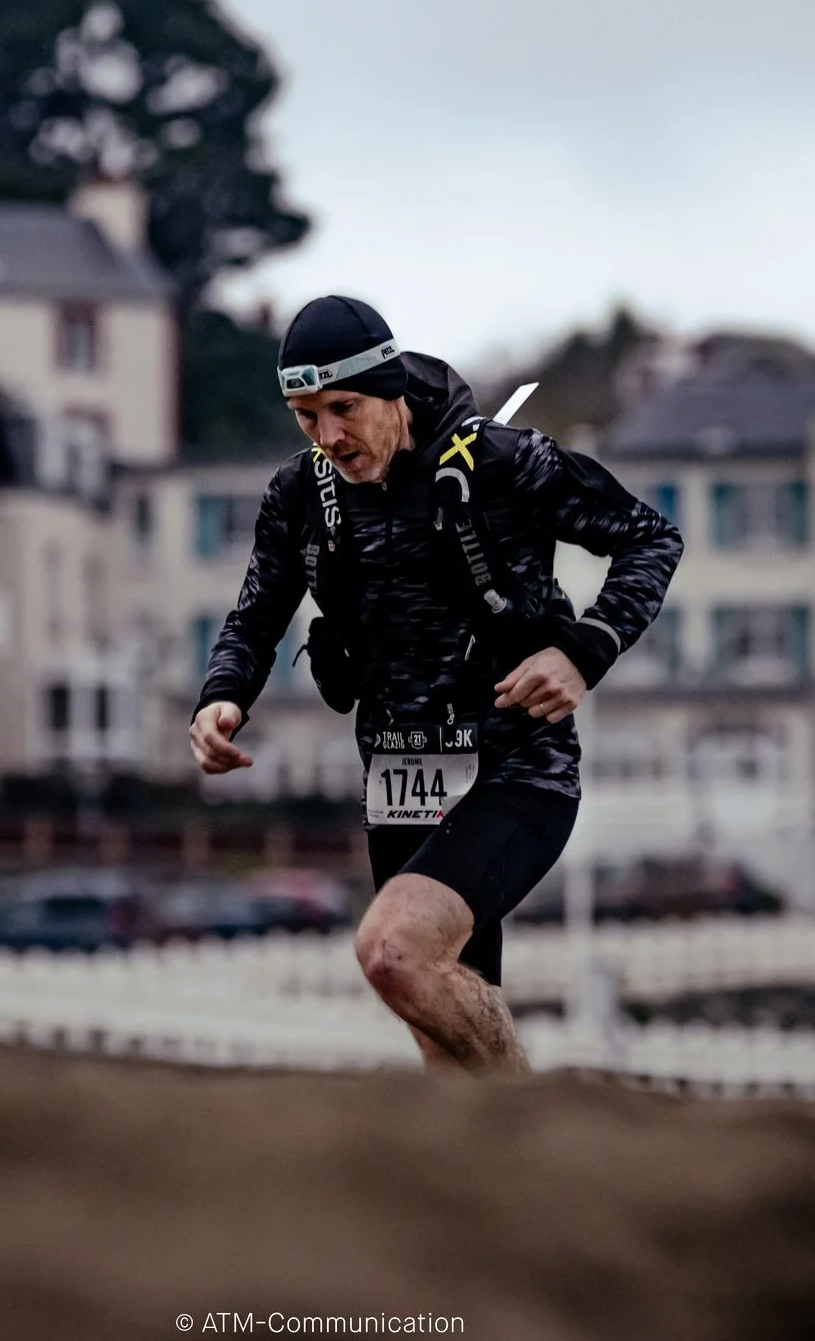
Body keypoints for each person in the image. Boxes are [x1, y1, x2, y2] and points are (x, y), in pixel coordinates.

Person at [189, 296, 683, 1072]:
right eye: (306, 416)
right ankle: (500, 1143)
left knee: (395, 951)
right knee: (436, 1020)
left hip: (518, 769)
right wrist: (223, 695)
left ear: (391, 390)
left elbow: (651, 538)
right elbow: (256, 614)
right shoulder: (301, 494)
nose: (329, 437)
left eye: (344, 408)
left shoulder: (502, 463)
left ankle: (530, 1111)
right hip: (400, 775)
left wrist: (585, 651)